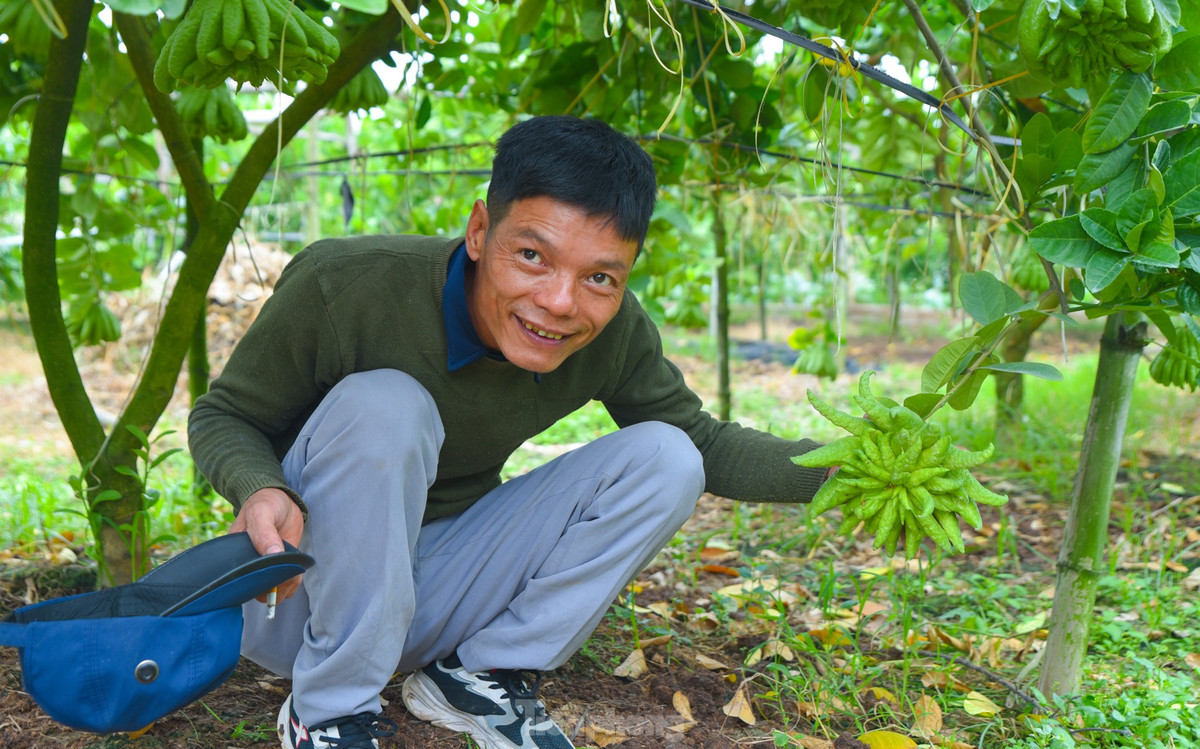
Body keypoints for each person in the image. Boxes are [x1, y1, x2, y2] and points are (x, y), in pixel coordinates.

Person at [188, 115, 829, 749]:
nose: (559, 302)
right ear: (478, 231)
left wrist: (850, 469)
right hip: (295, 596)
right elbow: (225, 416)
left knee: (669, 455)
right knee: (388, 402)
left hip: (438, 596)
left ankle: (477, 672)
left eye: (600, 277)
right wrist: (259, 489)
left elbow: (706, 445)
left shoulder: (614, 335)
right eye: (531, 256)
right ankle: (327, 710)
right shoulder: (348, 285)